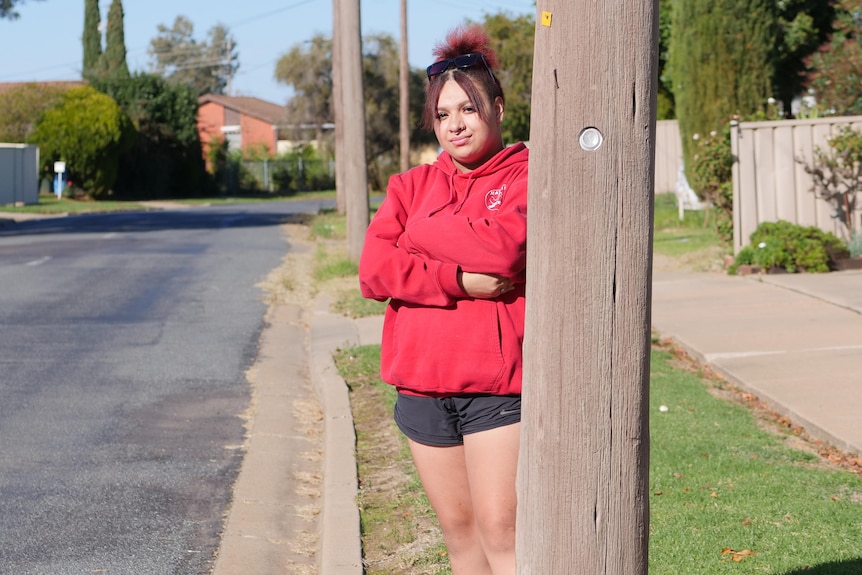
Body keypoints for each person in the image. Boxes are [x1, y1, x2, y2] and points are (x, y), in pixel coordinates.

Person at [358, 24, 528, 575]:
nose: (455, 124)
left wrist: (419, 235)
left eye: (468, 109)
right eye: (443, 114)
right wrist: (459, 278)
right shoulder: (409, 186)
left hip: (496, 388)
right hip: (422, 383)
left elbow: (503, 251)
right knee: (460, 539)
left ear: (497, 108)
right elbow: (373, 271)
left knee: (504, 532)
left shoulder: (528, 175)